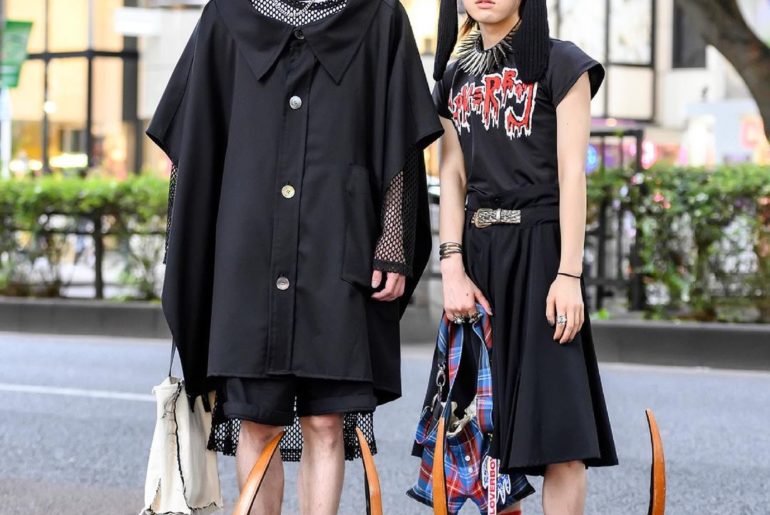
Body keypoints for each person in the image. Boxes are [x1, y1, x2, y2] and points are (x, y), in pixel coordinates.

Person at [146, 0, 443, 513]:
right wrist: (198, 247)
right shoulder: (228, 14)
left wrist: (393, 243)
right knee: (257, 421)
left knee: (327, 420)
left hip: (339, 244)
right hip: (247, 252)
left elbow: (401, 136)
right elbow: (190, 135)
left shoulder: (379, 16)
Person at [431, 0, 619, 513]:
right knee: (481, 440)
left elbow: (572, 174)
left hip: (542, 254)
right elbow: (451, 173)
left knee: (562, 439)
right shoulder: (452, 76)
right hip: (476, 257)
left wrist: (569, 274)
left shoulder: (563, 63)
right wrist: (450, 263)